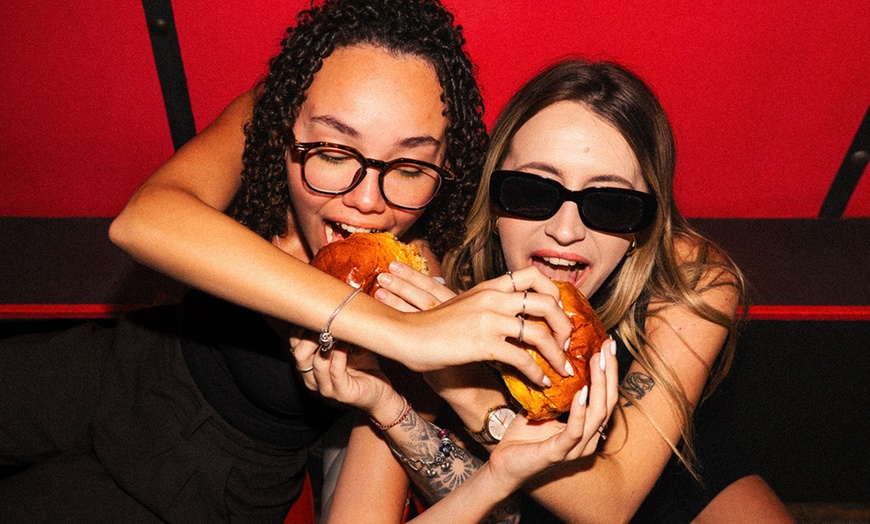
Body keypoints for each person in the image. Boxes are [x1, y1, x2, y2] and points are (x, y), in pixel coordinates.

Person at [0, 1, 574, 522]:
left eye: (408, 166)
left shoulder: (416, 283)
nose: (368, 199)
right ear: (287, 127)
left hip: (208, 484)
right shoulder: (266, 123)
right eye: (331, 150)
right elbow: (143, 221)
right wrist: (405, 337)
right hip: (119, 367)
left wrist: (410, 355)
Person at [297, 58, 795, 522]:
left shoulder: (690, 279)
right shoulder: (436, 279)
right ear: (492, 195)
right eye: (534, 191)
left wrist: (462, 382)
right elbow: (486, 501)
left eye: (611, 203)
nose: (565, 230)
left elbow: (609, 502)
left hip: (681, 488)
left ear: (648, 216)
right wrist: (394, 397)